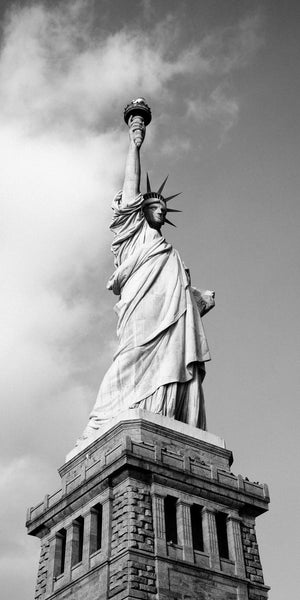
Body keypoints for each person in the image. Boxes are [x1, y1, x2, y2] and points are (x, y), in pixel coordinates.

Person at [79, 115, 214, 445]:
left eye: (165, 209)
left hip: (171, 322)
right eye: (156, 204)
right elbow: (130, 188)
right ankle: (100, 423)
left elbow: (178, 293)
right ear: (139, 211)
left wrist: (197, 298)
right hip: (140, 316)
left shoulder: (169, 251)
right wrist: (134, 140)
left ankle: (165, 415)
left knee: (174, 365)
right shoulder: (133, 236)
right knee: (128, 361)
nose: (162, 210)